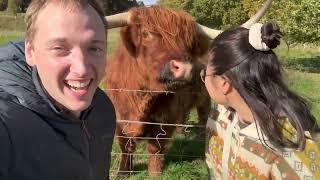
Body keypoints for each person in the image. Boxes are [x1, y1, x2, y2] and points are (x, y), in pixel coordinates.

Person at [0, 0, 116, 179]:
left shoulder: (102, 108)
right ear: (30, 52)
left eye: (94, 48)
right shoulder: (7, 127)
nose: (82, 69)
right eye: (60, 48)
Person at [202, 22, 320, 179]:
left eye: (205, 74)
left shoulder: (292, 151)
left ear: (224, 83)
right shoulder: (218, 117)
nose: (202, 78)